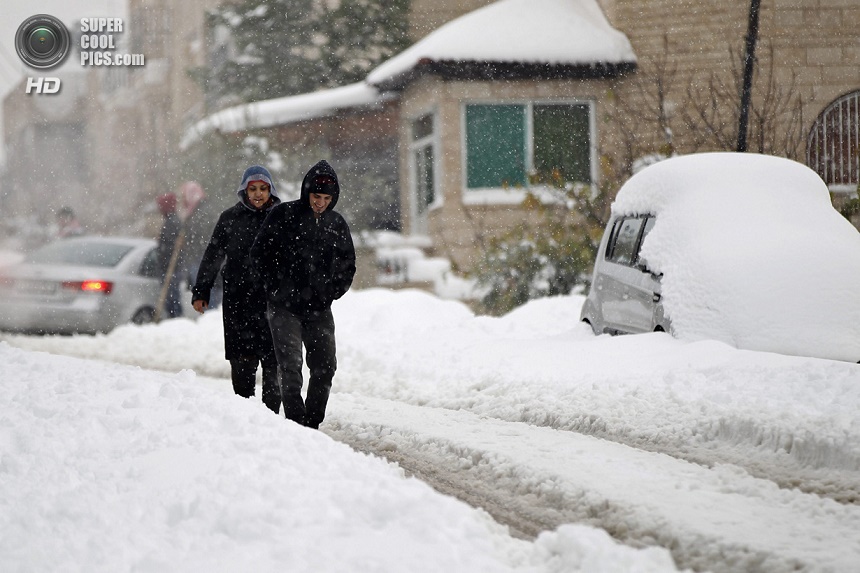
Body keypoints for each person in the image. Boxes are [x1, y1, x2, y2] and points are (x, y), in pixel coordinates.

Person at [250, 160, 356, 429]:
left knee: (325, 366)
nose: (320, 203)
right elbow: (259, 255)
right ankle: (296, 425)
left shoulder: (336, 224)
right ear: (306, 192)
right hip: (284, 307)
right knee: (291, 368)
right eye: (316, 196)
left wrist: (332, 292)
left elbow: (347, 264)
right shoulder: (283, 216)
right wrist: (274, 288)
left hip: (319, 310)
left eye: (326, 198)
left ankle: (312, 424)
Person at [192, 166, 282, 413]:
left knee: (273, 364)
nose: (258, 194)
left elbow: (293, 258)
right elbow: (213, 255)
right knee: (242, 364)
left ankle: (272, 419)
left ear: (271, 190)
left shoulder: (281, 217)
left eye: (263, 189)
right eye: (253, 189)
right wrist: (201, 291)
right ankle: (243, 416)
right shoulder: (229, 218)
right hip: (238, 303)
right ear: (244, 190)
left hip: (272, 303)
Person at [156, 193, 183, 319]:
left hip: (171, 268)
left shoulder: (172, 222)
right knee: (171, 298)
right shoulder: (171, 220)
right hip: (170, 267)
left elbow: (169, 247)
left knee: (172, 298)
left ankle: (176, 320)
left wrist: (164, 260)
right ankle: (174, 320)